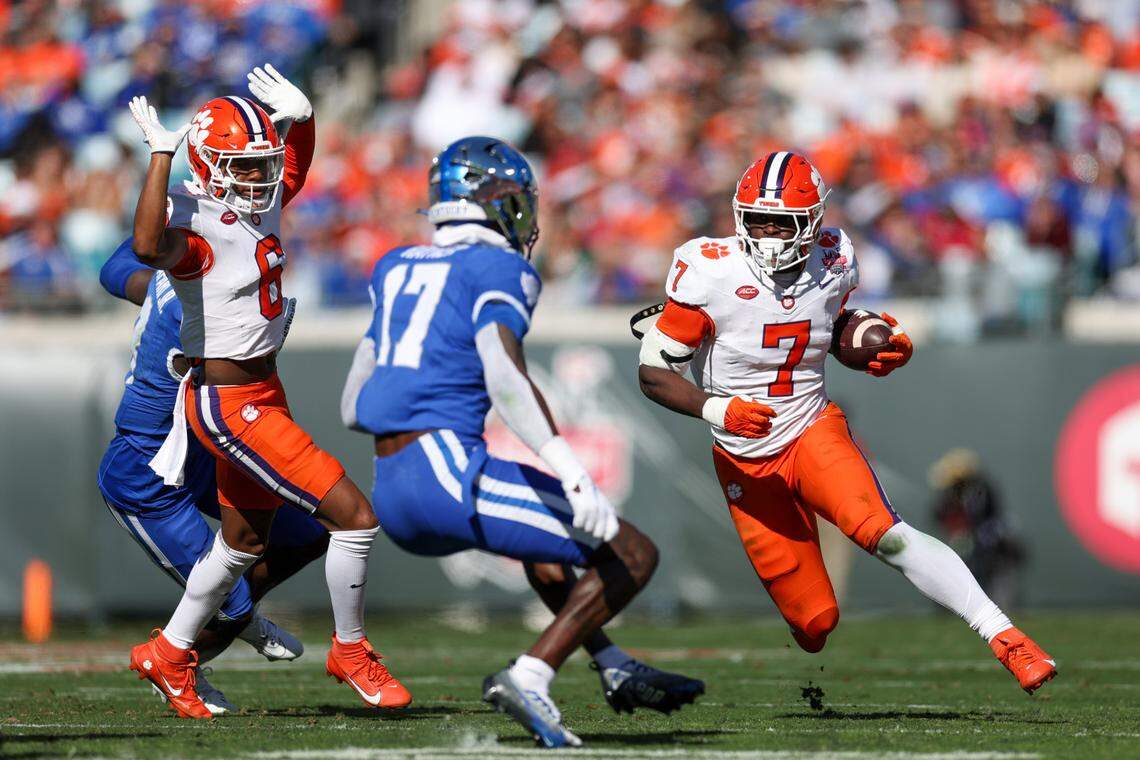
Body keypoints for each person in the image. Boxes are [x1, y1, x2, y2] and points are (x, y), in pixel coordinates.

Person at [637, 151, 1056, 695]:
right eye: (757, 219)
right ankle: (809, 604)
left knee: (886, 534)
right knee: (814, 623)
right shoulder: (710, 269)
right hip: (743, 455)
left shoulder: (833, 259)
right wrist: (716, 407)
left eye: (780, 222)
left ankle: (1006, 637)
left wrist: (871, 340)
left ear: (810, 221)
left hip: (812, 429)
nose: (766, 234)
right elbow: (652, 374)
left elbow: (830, 326)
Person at [341, 136, 704, 748]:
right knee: (633, 553)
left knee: (547, 550)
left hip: (391, 482)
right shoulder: (500, 267)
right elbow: (504, 375)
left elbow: (354, 406)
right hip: (447, 472)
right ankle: (530, 676)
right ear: (491, 202)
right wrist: (567, 465)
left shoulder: (395, 265)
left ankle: (612, 665)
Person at [122, 64, 409, 719]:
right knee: (355, 519)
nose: (260, 176)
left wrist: (303, 123)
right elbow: (145, 245)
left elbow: (295, 171)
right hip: (229, 403)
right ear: (208, 164)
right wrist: (162, 155)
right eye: (242, 166)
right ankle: (352, 650)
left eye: (263, 163)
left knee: (242, 543)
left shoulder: (261, 194)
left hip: (261, 391)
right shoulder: (197, 223)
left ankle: (168, 654)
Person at [97, 237, 328, 714]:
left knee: (303, 537)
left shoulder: (172, 282)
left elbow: (115, 270)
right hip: (146, 470)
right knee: (230, 597)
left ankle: (228, 616)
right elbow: (248, 393)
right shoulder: (206, 308)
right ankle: (204, 643)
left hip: (195, 449)